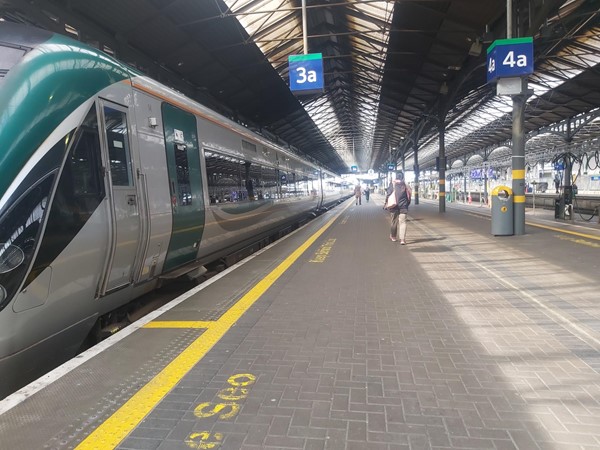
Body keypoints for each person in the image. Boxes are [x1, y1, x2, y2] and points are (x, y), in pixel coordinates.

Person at [385, 171, 411, 244]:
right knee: (403, 222)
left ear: (396, 176)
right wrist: (406, 204)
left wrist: (386, 202)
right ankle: (402, 240)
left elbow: (388, 194)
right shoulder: (406, 185)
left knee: (394, 221)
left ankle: (393, 237)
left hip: (394, 206)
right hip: (403, 206)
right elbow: (409, 197)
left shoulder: (392, 184)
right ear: (402, 177)